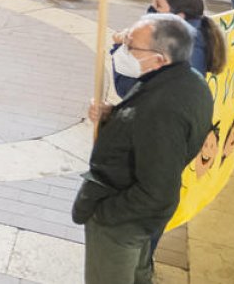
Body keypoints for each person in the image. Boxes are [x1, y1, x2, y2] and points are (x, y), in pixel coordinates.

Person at [76, 14, 213, 284]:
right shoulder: (188, 80)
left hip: (121, 223)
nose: (124, 50)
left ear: (160, 58)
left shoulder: (162, 109)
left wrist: (104, 214)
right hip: (139, 220)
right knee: (139, 274)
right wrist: (112, 115)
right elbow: (145, 134)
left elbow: (157, 190)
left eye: (131, 46)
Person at [114, 0, 227, 97]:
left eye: (158, 6)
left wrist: (121, 49)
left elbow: (135, 92)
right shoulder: (196, 34)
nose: (151, 12)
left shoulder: (179, 47)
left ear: (179, 17)